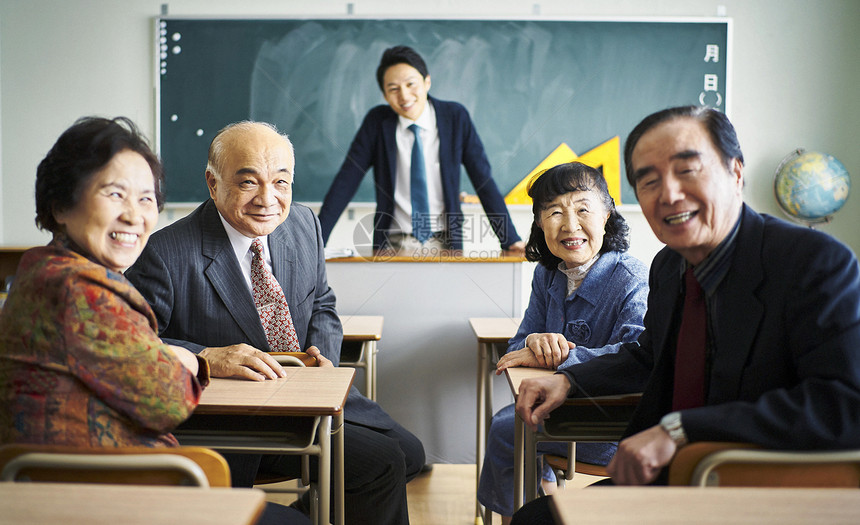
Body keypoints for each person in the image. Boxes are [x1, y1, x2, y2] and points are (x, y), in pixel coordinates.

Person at [512, 106, 860, 523]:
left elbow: (843, 402)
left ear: (735, 172)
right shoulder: (669, 266)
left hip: (762, 487)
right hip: (673, 480)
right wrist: (570, 379)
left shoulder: (812, 261)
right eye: (649, 180)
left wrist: (681, 430)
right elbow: (647, 356)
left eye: (687, 171)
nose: (669, 194)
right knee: (535, 519)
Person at [0, 117, 309, 525]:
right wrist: (191, 360)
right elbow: (168, 402)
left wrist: (171, 354)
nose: (134, 215)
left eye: (147, 199)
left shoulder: (43, 270)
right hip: (104, 495)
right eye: (115, 194)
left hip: (84, 482)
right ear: (60, 204)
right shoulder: (85, 293)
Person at [125, 120, 425, 525]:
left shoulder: (303, 224)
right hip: (234, 418)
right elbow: (137, 346)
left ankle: (312, 512)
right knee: (383, 463)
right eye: (248, 182)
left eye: (281, 182)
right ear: (213, 184)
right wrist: (210, 357)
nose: (268, 199)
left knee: (411, 454)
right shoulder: (165, 252)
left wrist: (324, 361)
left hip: (308, 395)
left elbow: (322, 302)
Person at [476, 162, 649, 523]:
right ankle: (541, 501)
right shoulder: (548, 274)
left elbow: (638, 351)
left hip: (613, 421)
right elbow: (517, 349)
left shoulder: (632, 277)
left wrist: (561, 357)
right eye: (554, 212)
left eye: (583, 209)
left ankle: (532, 509)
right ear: (540, 222)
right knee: (510, 421)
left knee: (509, 428)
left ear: (606, 215)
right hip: (562, 411)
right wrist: (535, 341)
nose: (570, 225)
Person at [317, 45, 525, 254]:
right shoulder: (377, 122)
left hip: (446, 241)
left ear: (427, 81)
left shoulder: (455, 117)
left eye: (411, 84)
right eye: (394, 89)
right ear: (385, 94)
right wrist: (316, 240)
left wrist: (510, 239)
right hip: (392, 243)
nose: (405, 96)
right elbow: (345, 182)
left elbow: (483, 180)